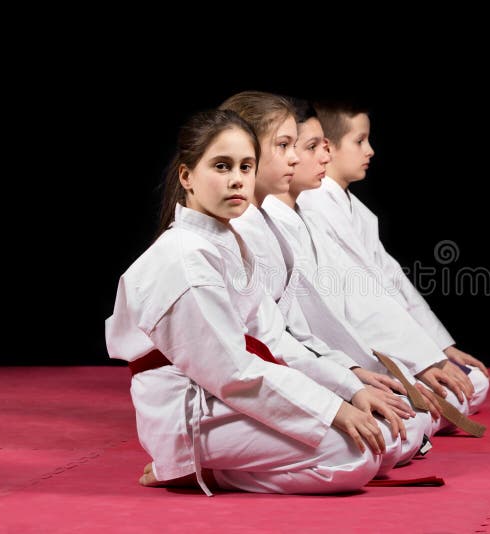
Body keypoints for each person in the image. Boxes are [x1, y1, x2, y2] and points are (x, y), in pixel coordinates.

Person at [105, 109, 391, 497]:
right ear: (187, 176)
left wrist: (347, 388)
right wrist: (330, 409)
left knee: (384, 439)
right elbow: (232, 373)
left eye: (246, 166)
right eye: (222, 166)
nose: (237, 179)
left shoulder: (227, 243)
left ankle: (214, 466)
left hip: (226, 396)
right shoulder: (183, 259)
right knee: (355, 457)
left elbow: (273, 338)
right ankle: (195, 468)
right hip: (192, 412)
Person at [217, 91, 429, 464]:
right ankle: (204, 466)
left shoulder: (267, 225)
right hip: (232, 393)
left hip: (288, 369)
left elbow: (295, 328)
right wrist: (340, 394)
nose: (297, 157)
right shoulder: (226, 236)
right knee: (371, 447)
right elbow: (259, 350)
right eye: (285, 146)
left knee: (405, 425)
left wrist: (351, 375)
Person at [261, 97, 485, 435]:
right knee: (404, 424)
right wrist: (355, 375)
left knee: (453, 393)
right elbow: (301, 328)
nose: (369, 151)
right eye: (358, 140)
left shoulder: (312, 214)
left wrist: (433, 351)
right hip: (301, 369)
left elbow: (383, 288)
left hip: (342, 356)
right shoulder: (289, 215)